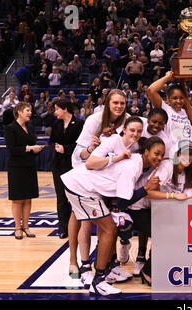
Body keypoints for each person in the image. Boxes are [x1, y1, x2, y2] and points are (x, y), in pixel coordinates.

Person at [61, 136, 162, 296]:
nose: (159, 158)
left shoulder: (137, 161)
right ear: (146, 151)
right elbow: (122, 203)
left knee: (110, 229)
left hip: (87, 188)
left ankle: (105, 270)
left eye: (162, 155)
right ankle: (98, 281)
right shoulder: (133, 166)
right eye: (157, 153)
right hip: (80, 187)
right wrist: (146, 189)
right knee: (109, 229)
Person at [67, 89, 128, 282]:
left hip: (106, 174)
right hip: (85, 171)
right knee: (82, 217)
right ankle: (79, 263)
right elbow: (79, 155)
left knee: (106, 219)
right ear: (108, 103)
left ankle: (109, 263)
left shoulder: (127, 121)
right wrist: (91, 148)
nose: (119, 106)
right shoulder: (94, 120)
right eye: (115, 103)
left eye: (122, 103)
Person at [127, 138, 192, 285]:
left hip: (158, 209)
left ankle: (156, 267)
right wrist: (173, 195)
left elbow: (187, 199)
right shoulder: (167, 166)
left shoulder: (188, 174)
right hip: (139, 207)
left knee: (173, 233)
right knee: (163, 235)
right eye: (184, 154)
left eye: (190, 154)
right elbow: (149, 193)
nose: (187, 157)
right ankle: (148, 271)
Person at [4, 102, 43, 240]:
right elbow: (12, 149)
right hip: (16, 167)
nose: (30, 113)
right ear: (19, 112)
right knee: (17, 199)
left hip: (29, 165)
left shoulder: (30, 128)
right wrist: (30, 148)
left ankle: (26, 226)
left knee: (28, 197)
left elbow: (32, 144)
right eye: (27, 110)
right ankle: (17, 228)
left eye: (30, 110)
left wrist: (35, 149)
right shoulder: (11, 128)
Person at [49, 98, 84, 239]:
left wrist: (66, 149)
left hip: (74, 165)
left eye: (57, 109)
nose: (55, 112)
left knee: (76, 197)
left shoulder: (80, 123)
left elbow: (82, 144)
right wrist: (55, 147)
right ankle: (63, 228)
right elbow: (51, 141)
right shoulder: (56, 123)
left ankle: (79, 226)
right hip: (58, 165)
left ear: (64, 109)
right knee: (61, 198)